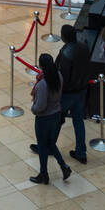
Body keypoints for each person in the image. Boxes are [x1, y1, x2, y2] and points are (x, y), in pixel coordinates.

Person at [29, 53, 71, 186]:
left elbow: (40, 106)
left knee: (42, 146)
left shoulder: (42, 84)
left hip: (44, 119)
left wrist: (33, 108)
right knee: (51, 144)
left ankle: (44, 174)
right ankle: (64, 166)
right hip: (56, 115)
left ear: (41, 66)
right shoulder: (58, 75)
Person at [55, 24, 91, 165]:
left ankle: (49, 146)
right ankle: (81, 153)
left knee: (57, 120)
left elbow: (63, 77)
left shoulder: (65, 53)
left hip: (68, 93)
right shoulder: (84, 47)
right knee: (78, 121)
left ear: (64, 37)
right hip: (82, 90)